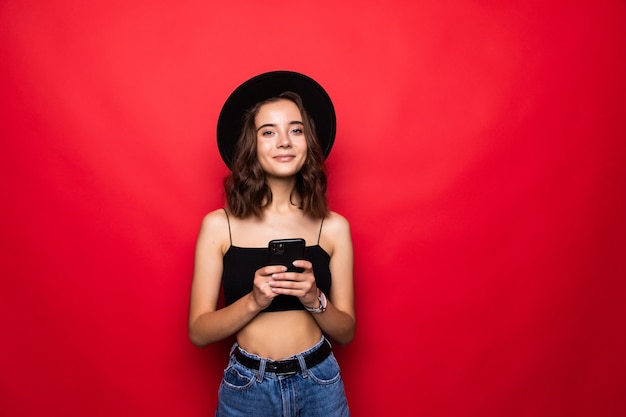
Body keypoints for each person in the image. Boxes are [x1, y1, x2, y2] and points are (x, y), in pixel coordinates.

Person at [188, 71, 355, 417]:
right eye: (269, 132)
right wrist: (254, 301)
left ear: (308, 141)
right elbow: (199, 332)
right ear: (252, 145)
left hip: (320, 383)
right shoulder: (220, 226)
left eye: (295, 130)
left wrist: (314, 299)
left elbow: (347, 331)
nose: (284, 141)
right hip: (247, 387)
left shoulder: (334, 227)